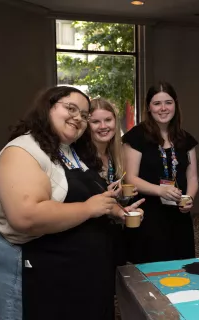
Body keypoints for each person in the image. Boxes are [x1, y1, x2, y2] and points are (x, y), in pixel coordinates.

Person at [0, 86, 144, 320]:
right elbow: (26, 216)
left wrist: (115, 211)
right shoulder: (23, 150)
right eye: (71, 108)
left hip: (75, 276)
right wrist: (89, 209)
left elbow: (86, 198)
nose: (78, 118)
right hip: (36, 271)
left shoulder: (69, 152)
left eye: (83, 114)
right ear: (47, 107)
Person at [122, 81, 198, 264]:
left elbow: (193, 176)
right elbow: (130, 177)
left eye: (168, 102)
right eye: (157, 103)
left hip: (179, 217)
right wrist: (160, 190)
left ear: (175, 105)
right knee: (150, 273)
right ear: (149, 107)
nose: (163, 108)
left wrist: (190, 199)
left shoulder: (185, 138)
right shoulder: (136, 137)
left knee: (182, 270)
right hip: (148, 216)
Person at [75, 97, 138, 267]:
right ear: (87, 125)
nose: (103, 126)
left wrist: (123, 200)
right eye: (96, 121)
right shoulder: (78, 157)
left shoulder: (114, 154)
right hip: (88, 235)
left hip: (112, 232)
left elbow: (113, 199)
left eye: (108, 120)